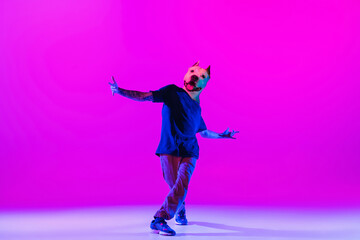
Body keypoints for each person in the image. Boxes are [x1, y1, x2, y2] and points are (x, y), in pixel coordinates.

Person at [108, 61, 238, 236]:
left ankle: (159, 219)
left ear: (205, 83)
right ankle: (181, 207)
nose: (195, 76)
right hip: (168, 148)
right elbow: (145, 96)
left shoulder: (197, 109)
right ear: (185, 75)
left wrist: (222, 135)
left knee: (182, 183)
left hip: (190, 151)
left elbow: (204, 132)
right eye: (192, 71)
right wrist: (120, 91)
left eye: (201, 75)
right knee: (174, 185)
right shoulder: (172, 92)